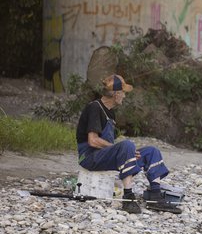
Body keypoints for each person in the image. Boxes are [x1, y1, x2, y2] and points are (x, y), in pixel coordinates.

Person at [76, 74, 181, 214]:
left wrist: (125, 152)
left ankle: (155, 197)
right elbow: (93, 141)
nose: (124, 96)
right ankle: (128, 197)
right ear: (116, 94)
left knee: (151, 151)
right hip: (89, 157)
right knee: (127, 145)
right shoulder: (95, 108)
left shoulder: (111, 113)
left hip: (104, 155)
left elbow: (111, 147)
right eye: (123, 93)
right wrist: (122, 149)